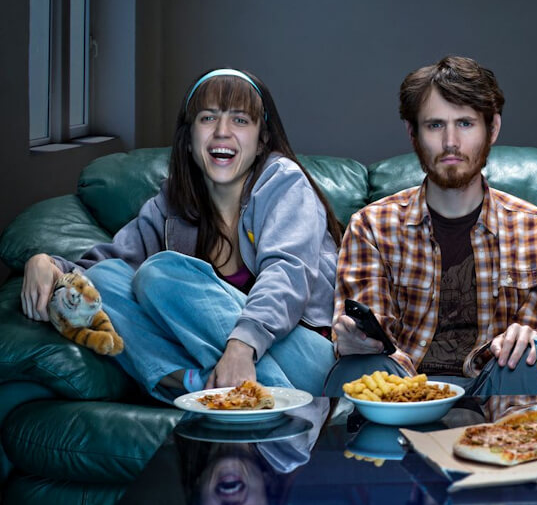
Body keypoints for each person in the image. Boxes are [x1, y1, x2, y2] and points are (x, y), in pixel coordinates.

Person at [20, 68, 342, 401]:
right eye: (207, 118)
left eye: (240, 120)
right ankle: (206, 385)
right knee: (105, 278)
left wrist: (242, 346)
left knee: (160, 273)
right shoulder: (172, 201)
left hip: (305, 356)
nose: (222, 132)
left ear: (262, 141)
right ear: (189, 140)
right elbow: (106, 266)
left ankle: (268, 402)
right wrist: (46, 264)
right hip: (220, 366)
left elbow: (287, 274)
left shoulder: (283, 181)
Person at [325, 56, 537, 396]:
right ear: (413, 134)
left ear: (492, 129)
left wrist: (530, 336)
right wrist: (352, 339)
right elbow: (371, 333)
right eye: (435, 125)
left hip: (495, 380)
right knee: (360, 366)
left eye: (465, 123)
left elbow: (536, 330)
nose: (450, 142)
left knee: (528, 360)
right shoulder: (371, 227)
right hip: (403, 380)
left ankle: (507, 445)